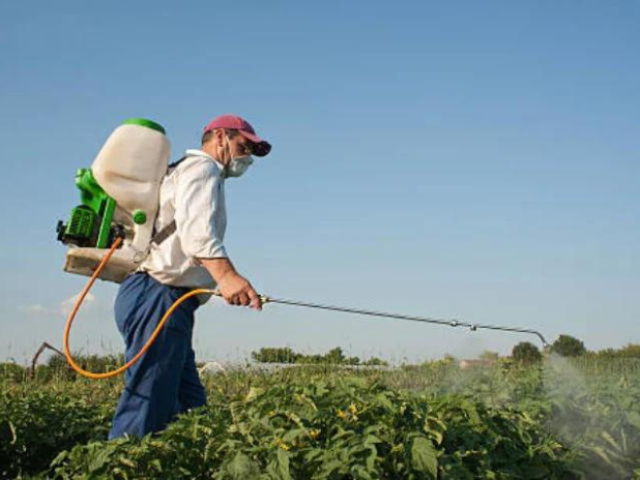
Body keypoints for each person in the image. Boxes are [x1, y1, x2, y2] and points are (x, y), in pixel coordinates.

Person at [108, 114, 272, 439]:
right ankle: (121, 467)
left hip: (164, 299)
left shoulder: (184, 170)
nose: (247, 157)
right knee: (148, 407)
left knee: (191, 410)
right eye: (243, 145)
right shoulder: (203, 168)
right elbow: (197, 233)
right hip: (158, 296)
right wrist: (227, 277)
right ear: (220, 137)